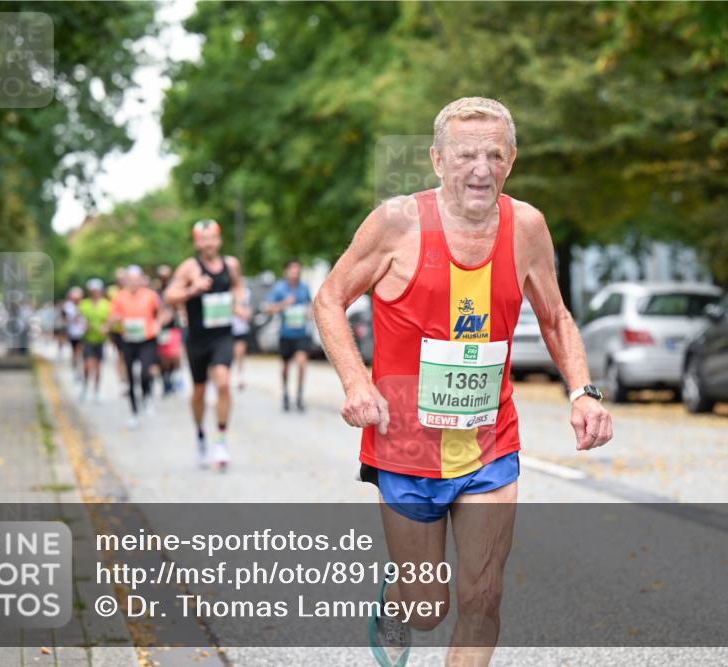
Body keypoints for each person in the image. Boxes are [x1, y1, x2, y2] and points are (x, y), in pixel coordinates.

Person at [314, 97, 613, 667]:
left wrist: (583, 392)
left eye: (495, 155)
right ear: (437, 160)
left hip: (488, 442)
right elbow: (329, 298)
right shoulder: (395, 223)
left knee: (483, 596)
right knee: (427, 608)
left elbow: (555, 317)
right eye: (465, 155)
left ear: (512, 160)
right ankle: (399, 597)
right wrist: (356, 383)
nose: (481, 169)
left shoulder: (527, 227)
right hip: (404, 447)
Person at [164, 219, 246, 471]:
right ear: (197, 242)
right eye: (203, 239)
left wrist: (237, 305)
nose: (208, 243)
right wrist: (193, 289)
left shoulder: (231, 264)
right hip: (197, 338)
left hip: (222, 335)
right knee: (199, 390)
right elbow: (169, 296)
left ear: (219, 240)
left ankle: (220, 441)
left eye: (212, 238)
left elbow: (237, 286)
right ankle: (200, 434)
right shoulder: (189, 267)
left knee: (223, 382)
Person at [109, 266, 160, 429]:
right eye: (130, 280)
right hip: (128, 340)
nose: (133, 283)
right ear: (125, 281)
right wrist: (112, 321)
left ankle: (147, 396)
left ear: (141, 280)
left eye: (136, 279)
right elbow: (112, 316)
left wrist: (159, 323)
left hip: (147, 339)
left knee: (145, 373)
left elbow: (161, 312)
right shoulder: (119, 297)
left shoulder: (150, 295)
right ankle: (134, 412)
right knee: (130, 377)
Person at [265, 259, 313, 412]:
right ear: (286, 271)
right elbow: (268, 308)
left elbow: (310, 305)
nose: (295, 273)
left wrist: (309, 312)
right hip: (286, 334)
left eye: (297, 269)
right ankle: (285, 393)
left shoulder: (304, 287)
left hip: (301, 333)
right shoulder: (279, 288)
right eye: (292, 269)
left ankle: (299, 396)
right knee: (285, 367)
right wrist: (284, 304)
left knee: (301, 363)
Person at [78, 278, 112, 402]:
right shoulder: (84, 304)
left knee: (98, 367)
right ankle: (85, 387)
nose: (95, 293)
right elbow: (79, 319)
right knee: (87, 365)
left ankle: (97, 391)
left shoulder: (106, 304)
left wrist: (106, 327)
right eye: (93, 291)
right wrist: (84, 325)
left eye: (97, 290)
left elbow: (110, 320)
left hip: (100, 340)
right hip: (87, 339)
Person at [155, 264, 183, 396]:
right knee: (163, 357)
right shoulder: (156, 292)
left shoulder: (175, 290)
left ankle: (173, 377)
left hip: (173, 327)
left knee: (174, 355)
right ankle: (165, 381)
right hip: (161, 328)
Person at [230, 284, 253, 391]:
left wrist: (246, 314)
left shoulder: (246, 292)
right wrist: (236, 310)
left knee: (240, 353)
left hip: (240, 328)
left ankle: (240, 376)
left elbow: (248, 309)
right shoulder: (225, 289)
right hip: (227, 328)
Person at [63, 287, 86, 378]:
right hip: (72, 332)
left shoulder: (84, 305)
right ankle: (75, 368)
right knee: (74, 351)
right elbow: (65, 319)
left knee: (80, 351)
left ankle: (80, 369)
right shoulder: (67, 306)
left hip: (83, 333)